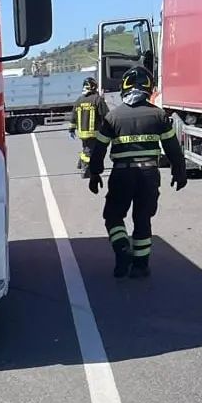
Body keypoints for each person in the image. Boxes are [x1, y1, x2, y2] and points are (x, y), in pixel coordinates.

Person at [83, 66, 187, 279]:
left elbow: (99, 149)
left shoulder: (113, 117)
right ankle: (140, 266)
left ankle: (122, 249)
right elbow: (173, 148)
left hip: (121, 175)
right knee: (142, 219)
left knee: (113, 216)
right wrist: (179, 171)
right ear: (149, 89)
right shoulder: (158, 115)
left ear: (124, 87)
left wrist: (94, 174)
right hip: (149, 175)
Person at [68, 77, 107, 174]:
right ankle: (86, 170)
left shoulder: (79, 100)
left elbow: (73, 116)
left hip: (82, 133)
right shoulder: (97, 99)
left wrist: (71, 130)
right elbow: (106, 115)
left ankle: (81, 163)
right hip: (94, 133)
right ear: (94, 87)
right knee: (91, 152)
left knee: (86, 148)